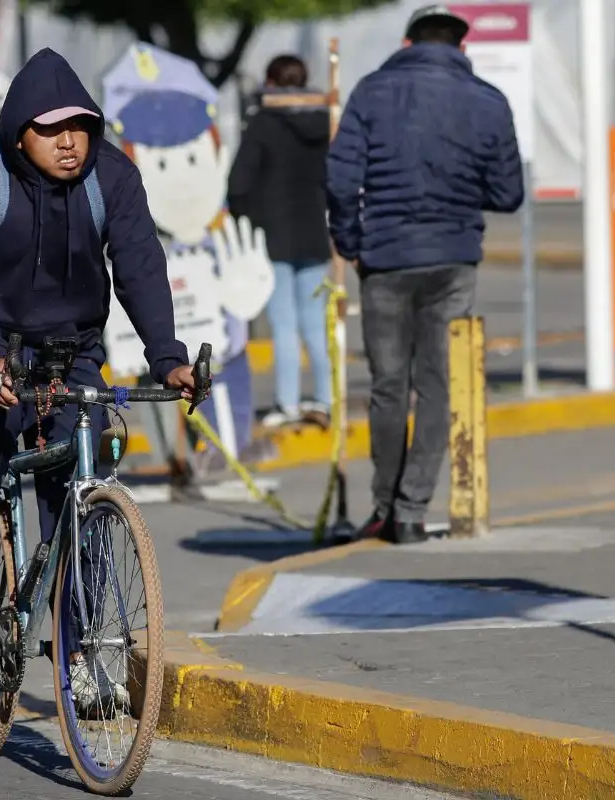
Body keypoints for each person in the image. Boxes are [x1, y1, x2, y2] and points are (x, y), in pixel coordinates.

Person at [0, 48, 199, 707]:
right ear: (20, 132)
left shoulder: (113, 176)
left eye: (79, 126)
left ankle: (83, 652)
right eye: (50, 128)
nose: (69, 141)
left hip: (71, 344)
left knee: (82, 479)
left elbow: (140, 266)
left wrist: (168, 357)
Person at [326, 4, 524, 544]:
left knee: (389, 387)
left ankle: (383, 507)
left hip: (384, 259)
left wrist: (351, 242)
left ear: (407, 44)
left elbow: (341, 180)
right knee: (437, 386)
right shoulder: (489, 100)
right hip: (454, 260)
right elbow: (508, 193)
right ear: (462, 47)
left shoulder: (371, 91)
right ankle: (411, 511)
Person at [227, 54, 333, 430]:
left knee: (284, 323)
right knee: (316, 323)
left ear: (270, 83)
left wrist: (243, 219)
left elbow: (238, 184)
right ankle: (326, 398)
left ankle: (287, 402)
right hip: (315, 234)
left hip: (272, 237)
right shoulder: (325, 123)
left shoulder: (262, 123)